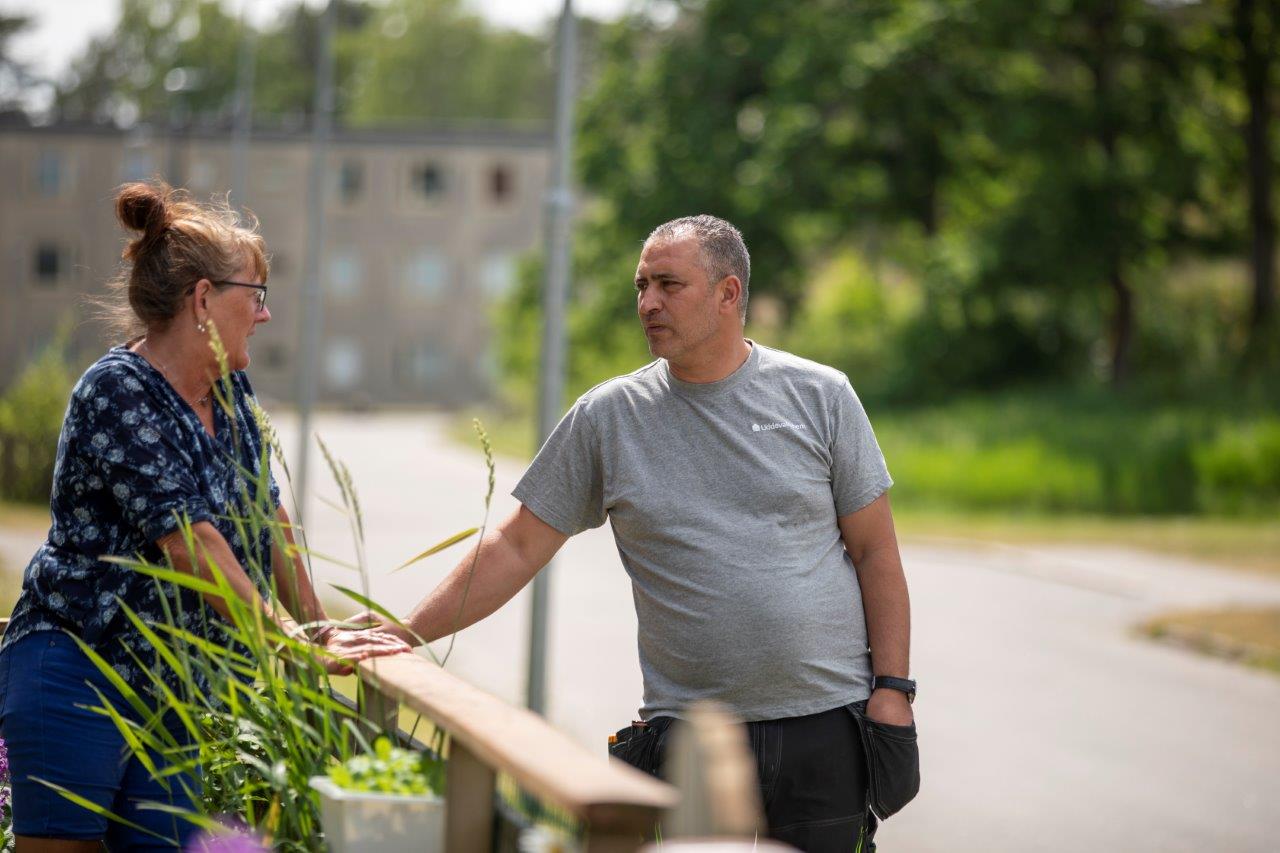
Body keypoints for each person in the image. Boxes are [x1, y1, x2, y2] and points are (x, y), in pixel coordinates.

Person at [360, 215, 917, 851]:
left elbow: (876, 552)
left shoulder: (821, 395)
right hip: (688, 734)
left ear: (728, 294)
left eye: (668, 285)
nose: (647, 302)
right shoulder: (609, 418)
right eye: (641, 285)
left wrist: (893, 691)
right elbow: (515, 547)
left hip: (825, 728)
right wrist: (397, 634)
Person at [0, 182, 409, 852]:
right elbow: (196, 548)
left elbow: (267, 517)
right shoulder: (117, 391)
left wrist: (317, 628)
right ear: (201, 298)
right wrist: (286, 643)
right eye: (256, 294)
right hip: (79, 668)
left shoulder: (231, 388)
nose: (266, 314)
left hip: (177, 693)